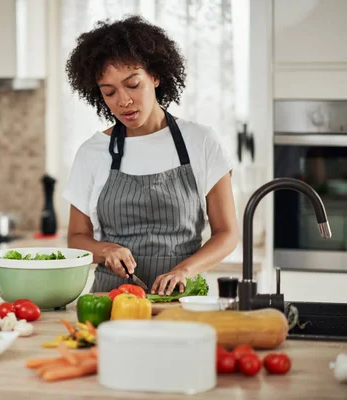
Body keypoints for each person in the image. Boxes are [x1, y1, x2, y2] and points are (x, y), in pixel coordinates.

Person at [62, 16, 239, 296]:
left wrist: (185, 270)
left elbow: (227, 233)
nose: (123, 101)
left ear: (155, 76)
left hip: (182, 301)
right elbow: (76, 238)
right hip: (111, 301)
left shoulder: (201, 141)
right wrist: (105, 249)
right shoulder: (92, 152)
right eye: (109, 92)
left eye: (133, 85)